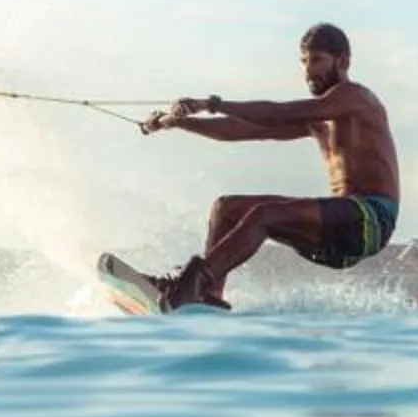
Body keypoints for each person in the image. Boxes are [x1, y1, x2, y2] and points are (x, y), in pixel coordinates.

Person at [139, 23, 401, 310]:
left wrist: (213, 104)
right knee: (226, 208)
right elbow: (241, 130)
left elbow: (281, 112)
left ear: (343, 61)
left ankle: (190, 287)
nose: (308, 71)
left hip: (371, 220)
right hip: (338, 227)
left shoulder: (356, 98)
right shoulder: (320, 117)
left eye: (317, 61)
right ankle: (207, 298)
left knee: (265, 215)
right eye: (303, 62)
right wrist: (176, 122)